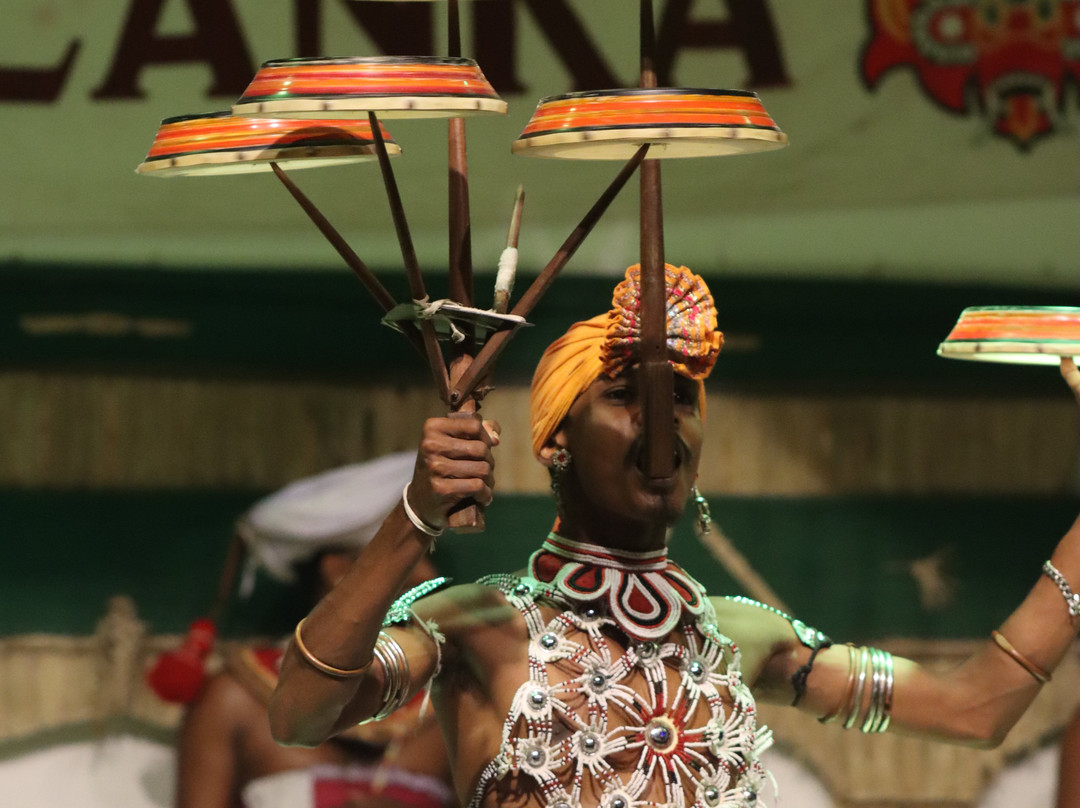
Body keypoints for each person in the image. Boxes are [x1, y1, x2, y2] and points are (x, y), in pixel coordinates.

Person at [267, 264, 1080, 808]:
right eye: (625, 395)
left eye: (682, 400)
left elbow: (975, 709)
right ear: (555, 440)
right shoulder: (478, 626)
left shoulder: (740, 637)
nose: (662, 425)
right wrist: (415, 516)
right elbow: (299, 714)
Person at [176, 454, 457, 808]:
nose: (428, 576)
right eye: (411, 560)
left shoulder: (451, 700)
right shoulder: (234, 700)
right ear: (336, 570)